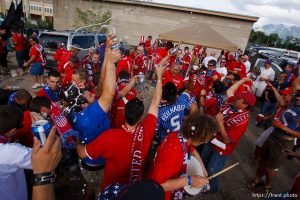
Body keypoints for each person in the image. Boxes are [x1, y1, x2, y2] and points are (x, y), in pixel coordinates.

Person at [76, 59, 164, 191]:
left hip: (111, 191)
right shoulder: (147, 130)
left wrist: (77, 139)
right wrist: (160, 77)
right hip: (133, 190)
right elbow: (156, 102)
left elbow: (83, 154)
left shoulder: (111, 136)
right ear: (141, 118)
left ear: (124, 113)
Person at [68, 35, 120, 199]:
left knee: (89, 184)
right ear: (85, 102)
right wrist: (111, 63)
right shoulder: (93, 115)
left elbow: (102, 82)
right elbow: (108, 92)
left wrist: (106, 49)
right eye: (88, 94)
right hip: (97, 163)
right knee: (101, 189)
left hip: (85, 161)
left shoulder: (77, 114)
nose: (92, 92)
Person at [201, 77, 256, 193]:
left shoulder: (242, 121)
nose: (235, 98)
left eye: (239, 98)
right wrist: (243, 80)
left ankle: (212, 189)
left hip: (221, 148)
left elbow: (227, 140)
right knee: (203, 161)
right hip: (211, 138)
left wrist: (220, 123)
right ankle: (201, 181)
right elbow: (230, 91)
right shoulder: (233, 104)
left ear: (245, 105)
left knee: (212, 169)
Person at [147, 112, 216, 200]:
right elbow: (158, 185)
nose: (206, 142)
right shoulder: (173, 153)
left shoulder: (181, 136)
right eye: (205, 140)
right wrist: (189, 180)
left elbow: (192, 149)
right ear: (198, 137)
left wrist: (203, 169)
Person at [0, 105, 62, 200]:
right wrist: (46, 134)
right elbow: (45, 159)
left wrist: (29, 113)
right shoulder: (12, 152)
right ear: (12, 130)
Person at [248, 85, 300, 193]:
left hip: (284, 142)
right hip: (273, 136)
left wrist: (283, 128)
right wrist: (274, 88)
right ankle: (257, 179)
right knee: (262, 160)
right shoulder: (292, 103)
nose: (298, 98)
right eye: (298, 95)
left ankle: (268, 186)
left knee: (270, 167)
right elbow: (284, 98)